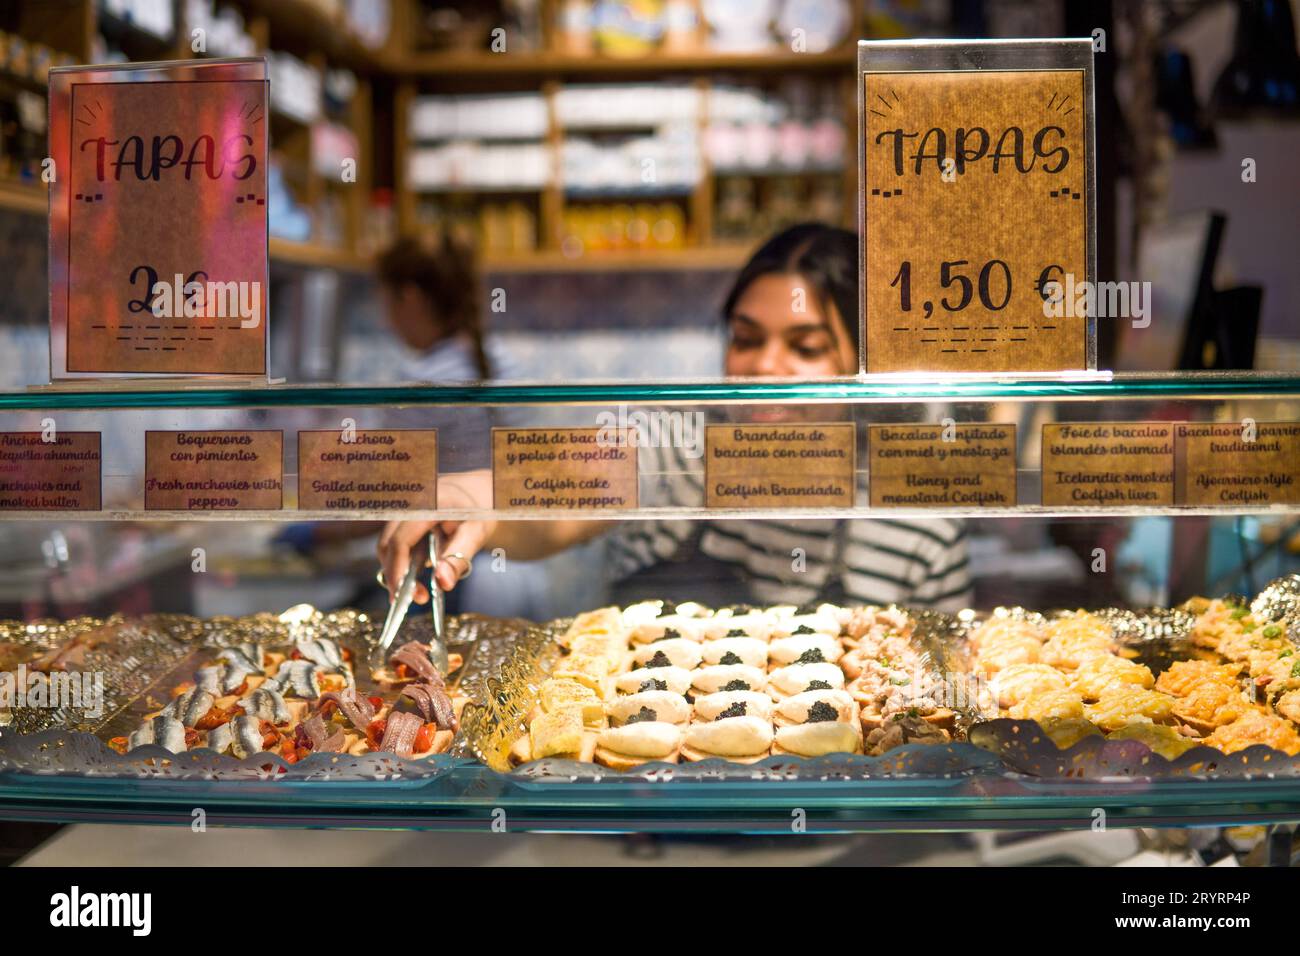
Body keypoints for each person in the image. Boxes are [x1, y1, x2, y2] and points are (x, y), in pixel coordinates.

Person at [379, 223, 972, 613]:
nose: (764, 366)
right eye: (746, 338)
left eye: (806, 347)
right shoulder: (688, 449)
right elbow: (582, 478)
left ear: (865, 364)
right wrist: (477, 493)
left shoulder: (917, 529)